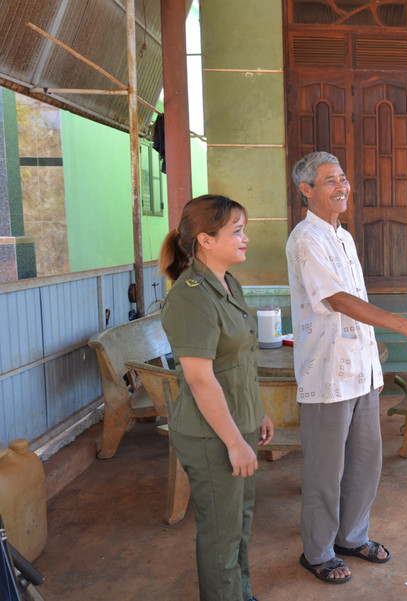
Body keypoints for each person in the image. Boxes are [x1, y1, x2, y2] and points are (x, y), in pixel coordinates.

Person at [285, 151, 407, 584]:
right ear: (306, 190)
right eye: (330, 181)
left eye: (343, 178)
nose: (342, 186)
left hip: (362, 371)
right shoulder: (304, 239)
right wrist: (403, 325)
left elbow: (355, 302)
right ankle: (318, 551)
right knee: (325, 472)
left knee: (366, 463)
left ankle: (351, 537)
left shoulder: (343, 237)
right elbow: (337, 300)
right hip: (327, 373)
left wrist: (375, 363)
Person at [159, 194, 274, 601]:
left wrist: (257, 413)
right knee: (221, 533)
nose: (245, 238)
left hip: (238, 423)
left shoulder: (228, 283)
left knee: (238, 524)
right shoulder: (191, 295)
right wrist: (234, 442)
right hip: (212, 435)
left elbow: (241, 358)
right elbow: (201, 380)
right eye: (237, 231)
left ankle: (240, 594)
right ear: (205, 240)